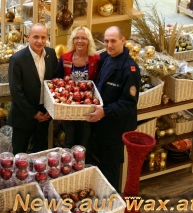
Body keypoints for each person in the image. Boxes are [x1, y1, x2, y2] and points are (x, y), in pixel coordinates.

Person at [86, 26, 141, 191]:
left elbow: (128, 102)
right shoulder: (105, 57)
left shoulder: (130, 69)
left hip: (116, 127)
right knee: (99, 164)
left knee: (110, 169)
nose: (109, 45)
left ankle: (111, 202)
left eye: (113, 41)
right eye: (106, 41)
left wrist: (105, 112)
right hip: (101, 124)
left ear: (123, 41)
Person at [8, 23, 58, 154]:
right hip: (23, 116)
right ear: (28, 37)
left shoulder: (51, 54)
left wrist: (50, 109)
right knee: (19, 154)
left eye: (43, 37)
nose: (39, 41)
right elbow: (16, 91)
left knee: (39, 153)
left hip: (44, 114)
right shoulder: (17, 59)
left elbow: (55, 83)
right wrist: (33, 114)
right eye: (36, 37)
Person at [57, 26, 100, 149]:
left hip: (87, 108)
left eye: (83, 38)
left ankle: (81, 166)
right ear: (72, 40)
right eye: (76, 38)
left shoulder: (96, 59)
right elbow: (58, 80)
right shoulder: (65, 58)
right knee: (69, 141)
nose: (80, 41)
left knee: (84, 142)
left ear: (89, 41)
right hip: (68, 106)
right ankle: (68, 166)